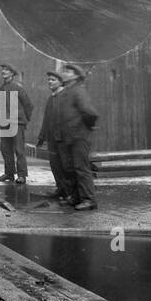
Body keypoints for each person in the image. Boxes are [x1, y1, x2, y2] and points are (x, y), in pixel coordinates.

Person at [55, 63, 100, 210]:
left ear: (75, 76)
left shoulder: (78, 91)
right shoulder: (67, 91)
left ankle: (89, 199)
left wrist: (87, 127)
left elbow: (90, 113)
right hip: (68, 137)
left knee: (81, 168)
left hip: (79, 137)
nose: (64, 73)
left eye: (68, 71)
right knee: (69, 169)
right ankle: (75, 197)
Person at [0, 64, 34, 185]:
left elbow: (28, 104)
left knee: (19, 149)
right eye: (3, 70)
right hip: (5, 123)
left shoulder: (18, 87)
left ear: (12, 73)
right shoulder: (2, 88)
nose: (4, 71)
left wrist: (24, 119)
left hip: (17, 123)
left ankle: (22, 175)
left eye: (7, 70)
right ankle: (9, 173)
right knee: (5, 149)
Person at [36, 70, 68, 200]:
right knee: (55, 165)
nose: (50, 82)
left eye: (53, 80)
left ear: (61, 82)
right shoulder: (51, 99)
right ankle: (60, 189)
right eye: (49, 80)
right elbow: (46, 120)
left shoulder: (65, 97)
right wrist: (42, 137)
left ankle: (68, 192)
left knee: (65, 166)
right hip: (52, 139)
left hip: (63, 139)